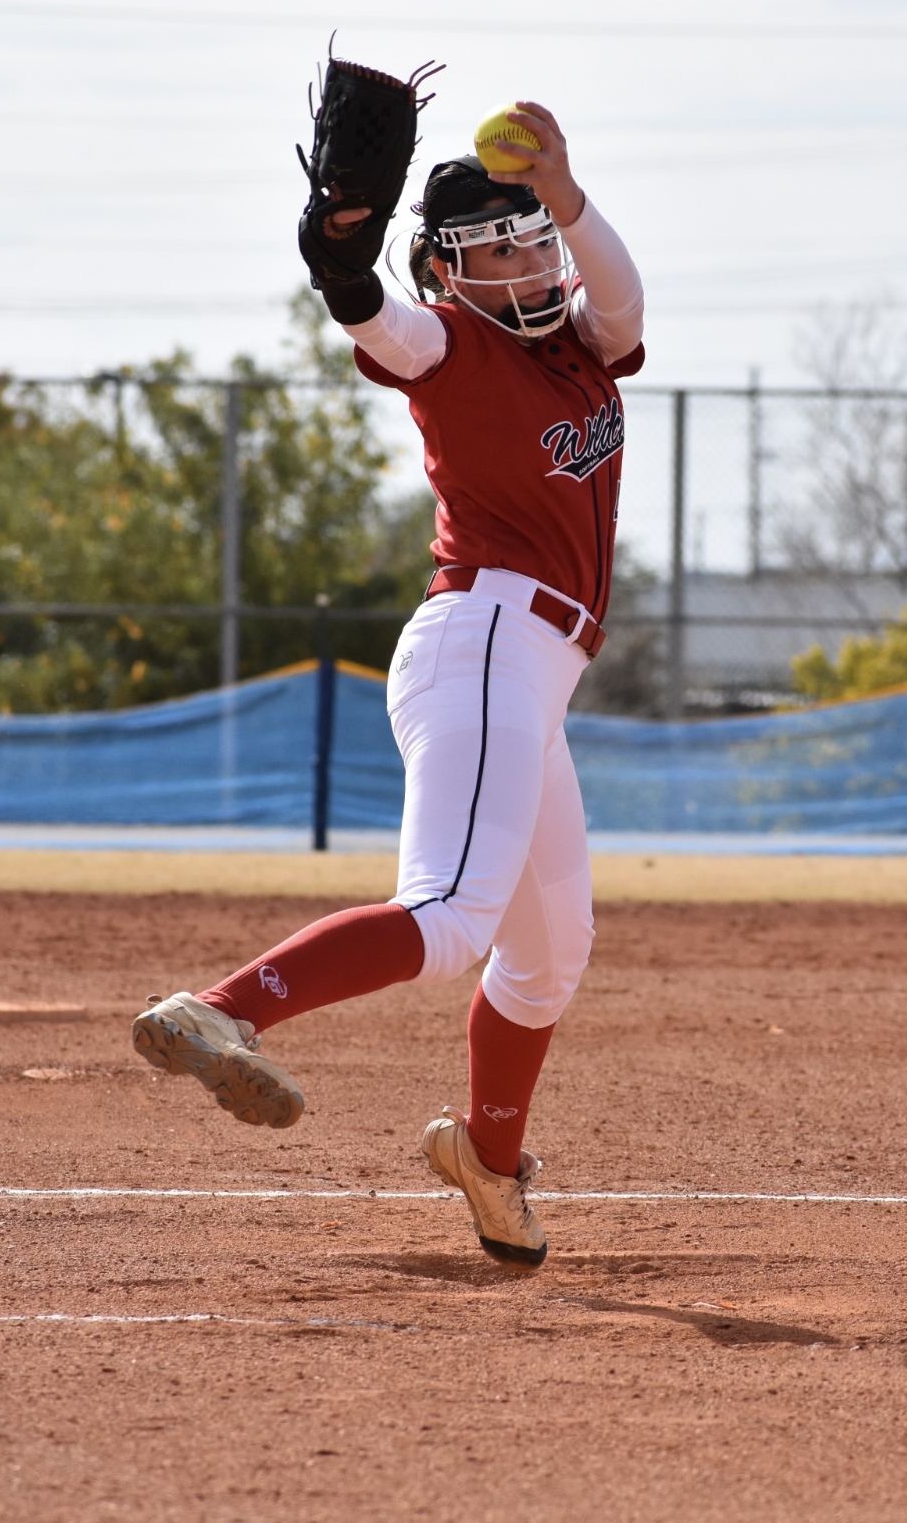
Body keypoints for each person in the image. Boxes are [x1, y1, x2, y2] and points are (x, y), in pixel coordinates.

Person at [132, 97, 645, 1269]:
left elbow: (623, 299)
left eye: (533, 239)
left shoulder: (581, 347)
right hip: (483, 646)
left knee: (550, 950)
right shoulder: (448, 347)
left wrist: (563, 188)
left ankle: (488, 1160)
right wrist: (338, 266)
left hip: (536, 671)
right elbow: (380, 322)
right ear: (445, 274)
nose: (527, 261)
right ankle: (223, 1009)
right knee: (453, 914)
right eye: (497, 248)